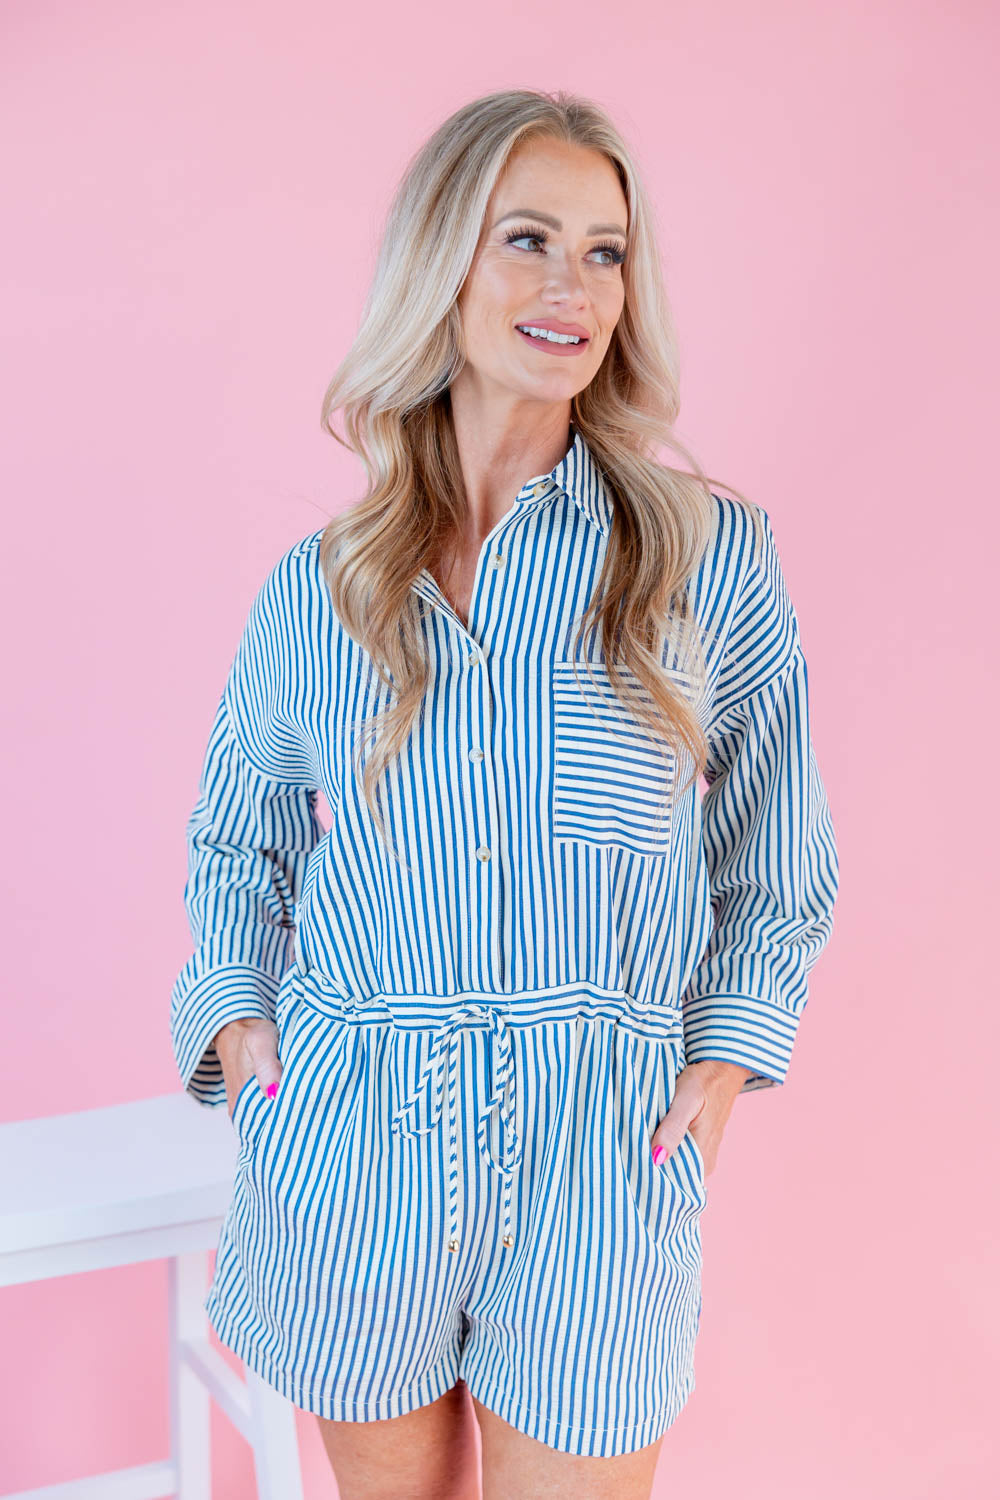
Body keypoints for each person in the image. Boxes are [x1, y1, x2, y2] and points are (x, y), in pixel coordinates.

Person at [170, 88, 840, 1500]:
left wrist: (717, 1074)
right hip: (355, 1146)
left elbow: (774, 853)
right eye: (527, 238)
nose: (572, 287)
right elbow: (236, 842)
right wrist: (247, 1043)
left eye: (606, 252)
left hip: (601, 1151)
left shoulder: (704, 556)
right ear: (443, 263)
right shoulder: (323, 586)